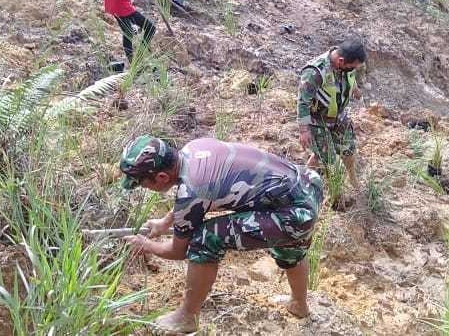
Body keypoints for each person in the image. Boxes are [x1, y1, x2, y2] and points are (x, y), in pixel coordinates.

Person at [120, 135, 323, 333]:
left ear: (162, 177)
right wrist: (165, 222)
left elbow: (177, 251)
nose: (144, 187)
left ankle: (187, 316)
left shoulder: (192, 191)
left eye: (142, 183)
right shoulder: (194, 148)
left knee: (206, 238)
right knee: (290, 241)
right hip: (306, 186)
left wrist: (146, 245)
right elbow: (200, 196)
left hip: (294, 214)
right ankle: (299, 304)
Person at [297, 40, 366, 188]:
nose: (353, 69)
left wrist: (354, 89)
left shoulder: (346, 65)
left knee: (349, 150)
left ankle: (353, 180)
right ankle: (333, 194)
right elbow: (303, 102)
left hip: (339, 117)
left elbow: (349, 78)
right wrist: (304, 130)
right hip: (318, 121)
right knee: (329, 161)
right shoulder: (314, 72)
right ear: (341, 61)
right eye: (352, 67)